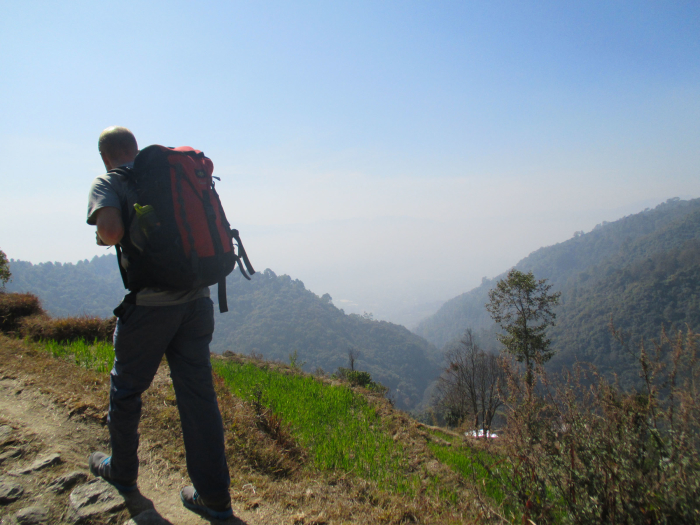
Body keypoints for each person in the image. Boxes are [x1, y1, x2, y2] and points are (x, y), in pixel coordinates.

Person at [86, 126, 233, 520]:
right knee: (198, 395)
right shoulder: (172, 171)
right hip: (197, 300)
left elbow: (111, 230)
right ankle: (214, 496)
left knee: (127, 389)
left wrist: (105, 238)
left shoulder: (110, 179)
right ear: (135, 147)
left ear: (105, 156)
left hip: (151, 307)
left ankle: (122, 471)